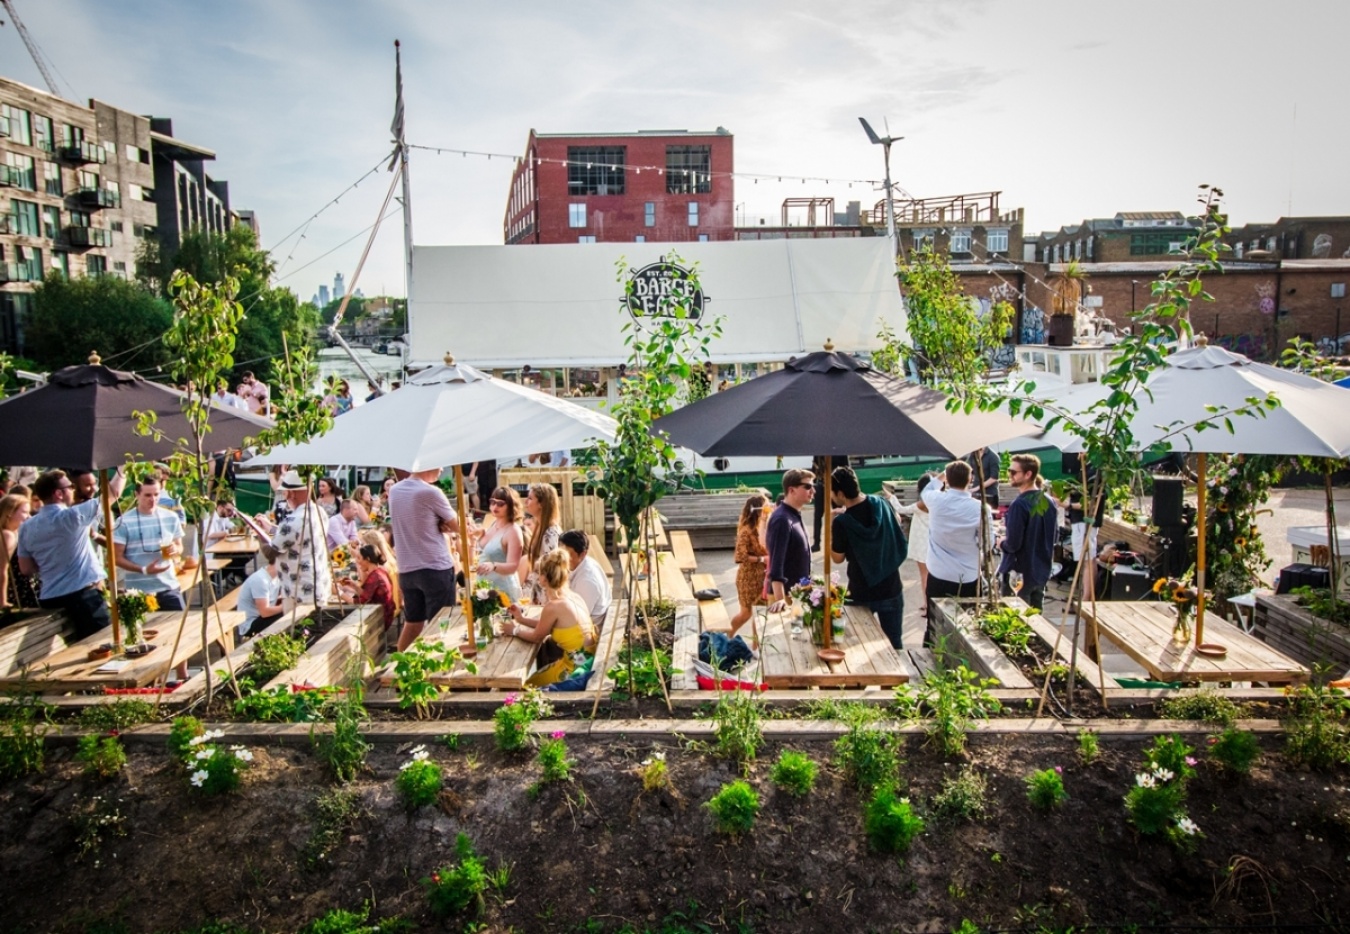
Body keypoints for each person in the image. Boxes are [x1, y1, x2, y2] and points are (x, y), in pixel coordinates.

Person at [17, 470, 113, 639]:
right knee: (101, 644)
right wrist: (122, 470)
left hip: (50, 598)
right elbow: (112, 495)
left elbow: (26, 568)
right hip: (84, 596)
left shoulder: (26, 527)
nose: (73, 490)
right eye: (70, 486)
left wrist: (52, 562)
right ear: (59, 493)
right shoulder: (72, 516)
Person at [829, 466, 908, 649]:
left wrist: (832, 526)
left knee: (860, 646)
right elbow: (897, 520)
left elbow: (837, 558)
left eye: (832, 492)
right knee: (895, 643)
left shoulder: (842, 522)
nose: (831, 496)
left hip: (860, 592)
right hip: (891, 587)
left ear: (840, 494)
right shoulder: (881, 503)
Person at [501, 548, 596, 688]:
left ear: (544, 579)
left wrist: (514, 630)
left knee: (526, 687)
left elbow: (536, 637)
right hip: (585, 662)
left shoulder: (553, 606)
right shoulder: (573, 596)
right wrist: (521, 620)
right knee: (532, 680)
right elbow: (546, 625)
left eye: (538, 573)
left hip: (575, 672)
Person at [388, 467, 460, 651]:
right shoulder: (431, 492)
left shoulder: (395, 491)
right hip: (435, 567)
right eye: (439, 464)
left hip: (407, 568)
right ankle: (440, 664)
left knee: (413, 623)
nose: (442, 469)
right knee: (442, 624)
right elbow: (459, 527)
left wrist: (439, 522)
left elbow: (417, 519)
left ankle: (399, 664)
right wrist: (445, 523)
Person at [255, 470, 332, 610]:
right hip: (320, 584)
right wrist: (271, 528)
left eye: (284, 493)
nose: (284, 496)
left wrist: (258, 533)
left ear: (292, 493)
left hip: (298, 591)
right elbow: (298, 536)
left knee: (298, 625)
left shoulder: (293, 520)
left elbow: (270, 552)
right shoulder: (319, 512)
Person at [111, 476, 187, 613]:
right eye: (147, 495)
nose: (153, 499)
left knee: (179, 625)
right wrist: (143, 569)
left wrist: (175, 549)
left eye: (156, 494)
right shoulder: (124, 522)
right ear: (137, 495)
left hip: (168, 586)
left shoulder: (171, 517)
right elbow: (116, 558)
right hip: (137, 592)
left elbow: (179, 546)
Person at [922, 460, 993, 600]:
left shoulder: (935, 500)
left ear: (947, 480)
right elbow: (987, 543)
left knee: (936, 614)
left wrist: (944, 474)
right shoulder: (981, 508)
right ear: (970, 479)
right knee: (969, 614)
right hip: (968, 575)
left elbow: (927, 489)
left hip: (939, 574)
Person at [997, 454, 1059, 611]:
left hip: (1018, 574)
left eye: (1013, 472)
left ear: (1028, 474)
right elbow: (1055, 536)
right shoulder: (1049, 501)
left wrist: (1001, 542)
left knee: (1015, 620)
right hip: (1040, 571)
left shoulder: (1019, 504)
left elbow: (1013, 544)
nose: (1009, 475)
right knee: (1035, 620)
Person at [766, 468, 815, 614]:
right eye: (808, 486)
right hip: (785, 597)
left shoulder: (792, 515)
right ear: (792, 490)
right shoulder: (782, 519)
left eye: (813, 486)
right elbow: (776, 564)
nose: (813, 491)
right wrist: (780, 599)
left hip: (796, 595)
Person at [887, 473, 935, 612]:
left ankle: (927, 604)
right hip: (934, 543)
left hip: (921, 545)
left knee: (924, 575)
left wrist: (892, 497)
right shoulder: (938, 504)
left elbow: (901, 509)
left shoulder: (921, 505)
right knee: (934, 575)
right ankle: (932, 603)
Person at [473, 486, 524, 603]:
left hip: (503, 592)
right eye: (493, 502)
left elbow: (513, 566)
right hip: (485, 589)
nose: (495, 507)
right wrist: (481, 534)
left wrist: (494, 566)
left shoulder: (513, 530)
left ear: (511, 506)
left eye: (500, 504)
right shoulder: (493, 524)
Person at [729, 493, 769, 637]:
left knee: (760, 614)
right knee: (745, 614)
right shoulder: (746, 530)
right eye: (766, 508)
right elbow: (740, 556)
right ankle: (725, 638)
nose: (768, 511)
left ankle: (756, 646)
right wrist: (762, 559)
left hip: (763, 577)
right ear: (758, 510)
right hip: (748, 578)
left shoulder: (763, 528)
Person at [337, 543, 398, 631]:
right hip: (385, 615)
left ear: (368, 559)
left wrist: (338, 592)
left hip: (380, 620)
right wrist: (354, 585)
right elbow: (367, 594)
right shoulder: (380, 571)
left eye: (359, 558)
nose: (357, 562)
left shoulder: (375, 577)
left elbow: (359, 603)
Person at [558, 529, 611, 629]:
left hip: (588, 629)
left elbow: (577, 618)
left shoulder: (587, 581)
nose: (562, 558)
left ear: (583, 554)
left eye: (567, 554)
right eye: (560, 553)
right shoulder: (579, 564)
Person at [522, 482, 561, 603]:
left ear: (541, 504)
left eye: (530, 498)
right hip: (536, 589)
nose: (525, 501)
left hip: (546, 593)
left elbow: (549, 568)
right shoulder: (539, 526)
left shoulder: (550, 533)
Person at [0, 492, 36, 608]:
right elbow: (2, 570)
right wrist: (3, 602)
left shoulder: (15, 533)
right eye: (25, 512)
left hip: (24, 589)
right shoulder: (7, 536)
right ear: (9, 513)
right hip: (17, 593)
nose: (29, 517)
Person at [235, 555, 283, 638]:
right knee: (287, 613)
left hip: (260, 617)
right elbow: (265, 612)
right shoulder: (261, 580)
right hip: (249, 625)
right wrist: (285, 606)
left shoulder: (276, 577)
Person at [810, 455, 845, 552]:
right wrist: (813, 483)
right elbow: (814, 468)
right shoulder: (819, 452)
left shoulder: (840, 451)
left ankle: (840, 542)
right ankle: (817, 543)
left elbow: (846, 468)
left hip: (836, 486)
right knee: (817, 515)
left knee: (839, 514)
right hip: (821, 485)